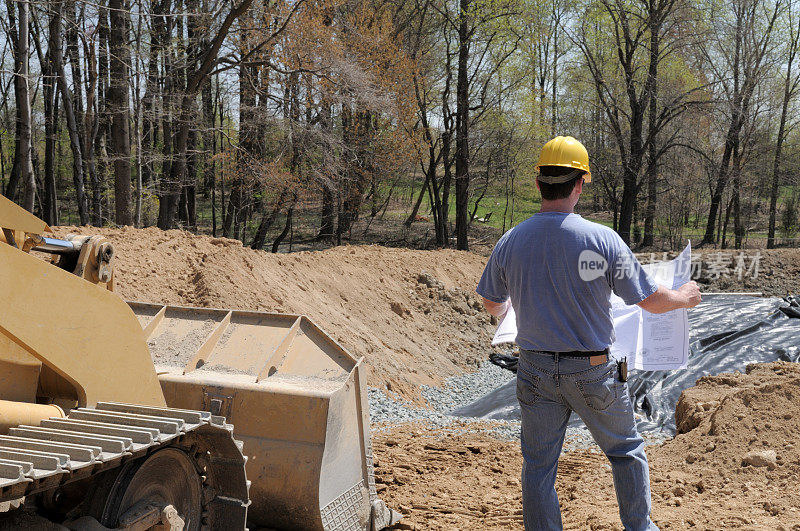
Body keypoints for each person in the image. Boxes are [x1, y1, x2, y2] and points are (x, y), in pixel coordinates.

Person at [476, 136, 701, 531]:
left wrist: (511, 309)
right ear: (580, 184)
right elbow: (649, 299)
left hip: (533, 371)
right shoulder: (602, 240)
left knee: (539, 464)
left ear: (539, 184)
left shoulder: (510, 241)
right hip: (594, 373)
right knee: (626, 451)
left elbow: (492, 303)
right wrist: (683, 297)